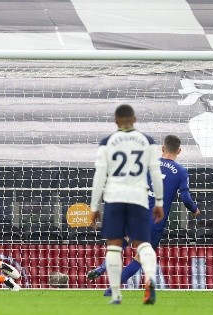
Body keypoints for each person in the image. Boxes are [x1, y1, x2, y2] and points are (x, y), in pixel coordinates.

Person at [87, 134, 201, 296]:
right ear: (179, 151)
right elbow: (185, 198)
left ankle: (102, 267)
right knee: (140, 258)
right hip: (155, 222)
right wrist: (195, 210)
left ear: (162, 148)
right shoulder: (181, 172)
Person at [88, 104, 165, 305]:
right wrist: (159, 202)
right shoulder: (147, 141)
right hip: (138, 198)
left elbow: (99, 176)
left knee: (114, 247)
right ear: (135, 119)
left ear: (116, 121)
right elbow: (155, 173)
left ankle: (115, 294)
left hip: (114, 197)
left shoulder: (108, 142)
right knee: (143, 244)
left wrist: (94, 207)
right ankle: (149, 280)